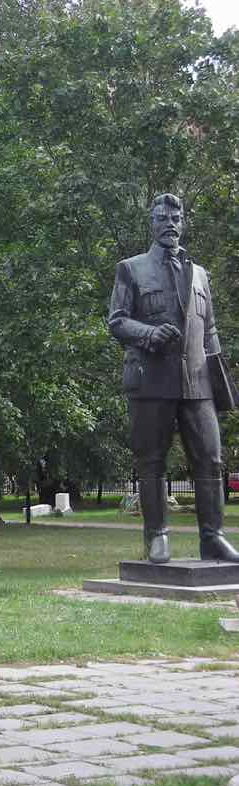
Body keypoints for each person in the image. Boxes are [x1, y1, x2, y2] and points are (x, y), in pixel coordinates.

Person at [108, 193, 239, 563]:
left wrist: (221, 385)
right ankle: (158, 536)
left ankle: (212, 537)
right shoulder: (131, 269)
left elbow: (210, 330)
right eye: (162, 217)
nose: (170, 223)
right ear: (151, 224)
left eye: (176, 217)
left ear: (183, 223)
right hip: (150, 382)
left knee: (211, 459)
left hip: (197, 385)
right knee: (151, 461)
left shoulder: (200, 274)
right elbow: (116, 321)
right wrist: (148, 334)